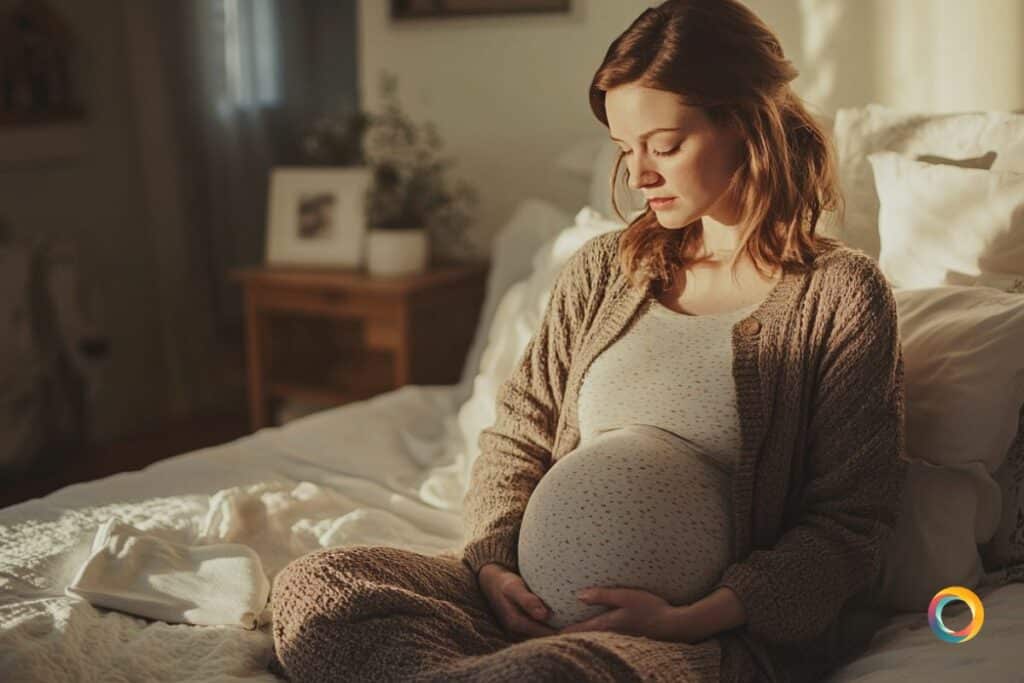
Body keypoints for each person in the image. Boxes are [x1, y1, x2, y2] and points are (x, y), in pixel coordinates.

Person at [268, 1, 909, 681]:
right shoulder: (607, 270)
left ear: (746, 125)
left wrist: (692, 617)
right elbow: (516, 434)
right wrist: (491, 565)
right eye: (626, 150)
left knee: (555, 672)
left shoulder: (840, 296)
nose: (638, 176)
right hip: (519, 609)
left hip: (694, 640)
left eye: (663, 146)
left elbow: (849, 527)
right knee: (316, 590)